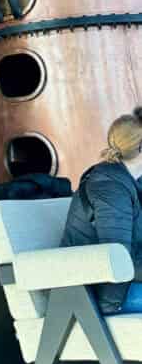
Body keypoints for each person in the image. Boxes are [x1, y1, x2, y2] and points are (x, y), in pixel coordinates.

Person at [62, 106, 142, 314]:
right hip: (108, 296)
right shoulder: (110, 188)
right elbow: (119, 260)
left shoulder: (128, 180)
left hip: (126, 285)